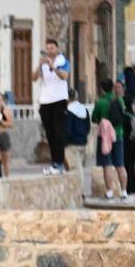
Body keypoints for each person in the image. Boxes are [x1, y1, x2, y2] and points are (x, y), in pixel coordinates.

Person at [33, 39, 71, 175]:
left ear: (57, 49)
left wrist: (53, 67)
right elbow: (34, 78)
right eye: (47, 48)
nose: (49, 50)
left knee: (58, 132)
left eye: (52, 48)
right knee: (49, 133)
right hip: (45, 101)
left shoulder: (63, 61)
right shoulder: (43, 63)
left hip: (59, 100)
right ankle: (54, 162)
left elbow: (64, 76)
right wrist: (39, 66)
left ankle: (60, 163)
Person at [92, 78, 128, 199]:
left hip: (105, 137)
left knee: (107, 165)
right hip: (118, 135)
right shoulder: (120, 100)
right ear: (113, 87)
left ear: (101, 88)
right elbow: (124, 115)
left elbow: (94, 118)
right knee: (120, 165)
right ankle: (124, 192)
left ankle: (109, 192)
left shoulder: (100, 102)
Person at [117, 81, 135, 199]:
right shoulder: (134, 115)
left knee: (128, 167)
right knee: (132, 166)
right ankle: (133, 188)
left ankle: (129, 189)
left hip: (127, 144)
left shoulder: (125, 116)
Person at [64, 89, 91, 179]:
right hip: (83, 142)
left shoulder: (69, 111)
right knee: (80, 167)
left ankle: (80, 190)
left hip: (72, 144)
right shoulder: (84, 109)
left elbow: (68, 128)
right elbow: (88, 126)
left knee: (75, 169)